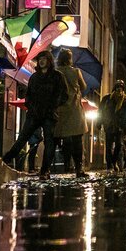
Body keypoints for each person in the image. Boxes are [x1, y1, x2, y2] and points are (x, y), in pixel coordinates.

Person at [2, 50, 68, 179]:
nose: (42, 61)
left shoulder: (57, 76)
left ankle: (45, 170)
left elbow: (64, 95)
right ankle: (5, 160)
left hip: (49, 114)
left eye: (44, 58)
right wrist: (31, 107)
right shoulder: (34, 77)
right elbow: (29, 95)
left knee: (49, 142)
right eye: (40, 59)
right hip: (34, 114)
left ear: (49, 61)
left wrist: (53, 106)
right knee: (22, 138)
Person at [54, 49, 88, 177]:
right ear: (69, 59)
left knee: (63, 138)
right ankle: (79, 168)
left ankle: (65, 164)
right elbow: (84, 87)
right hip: (74, 109)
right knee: (77, 139)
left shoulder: (56, 73)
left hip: (60, 109)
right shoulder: (76, 72)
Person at [99, 80, 126, 171]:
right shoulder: (107, 99)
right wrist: (99, 123)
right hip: (109, 125)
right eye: (117, 87)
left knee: (119, 145)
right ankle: (109, 165)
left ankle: (113, 161)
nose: (119, 89)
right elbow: (101, 111)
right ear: (114, 88)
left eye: (121, 87)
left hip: (119, 126)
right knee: (108, 146)